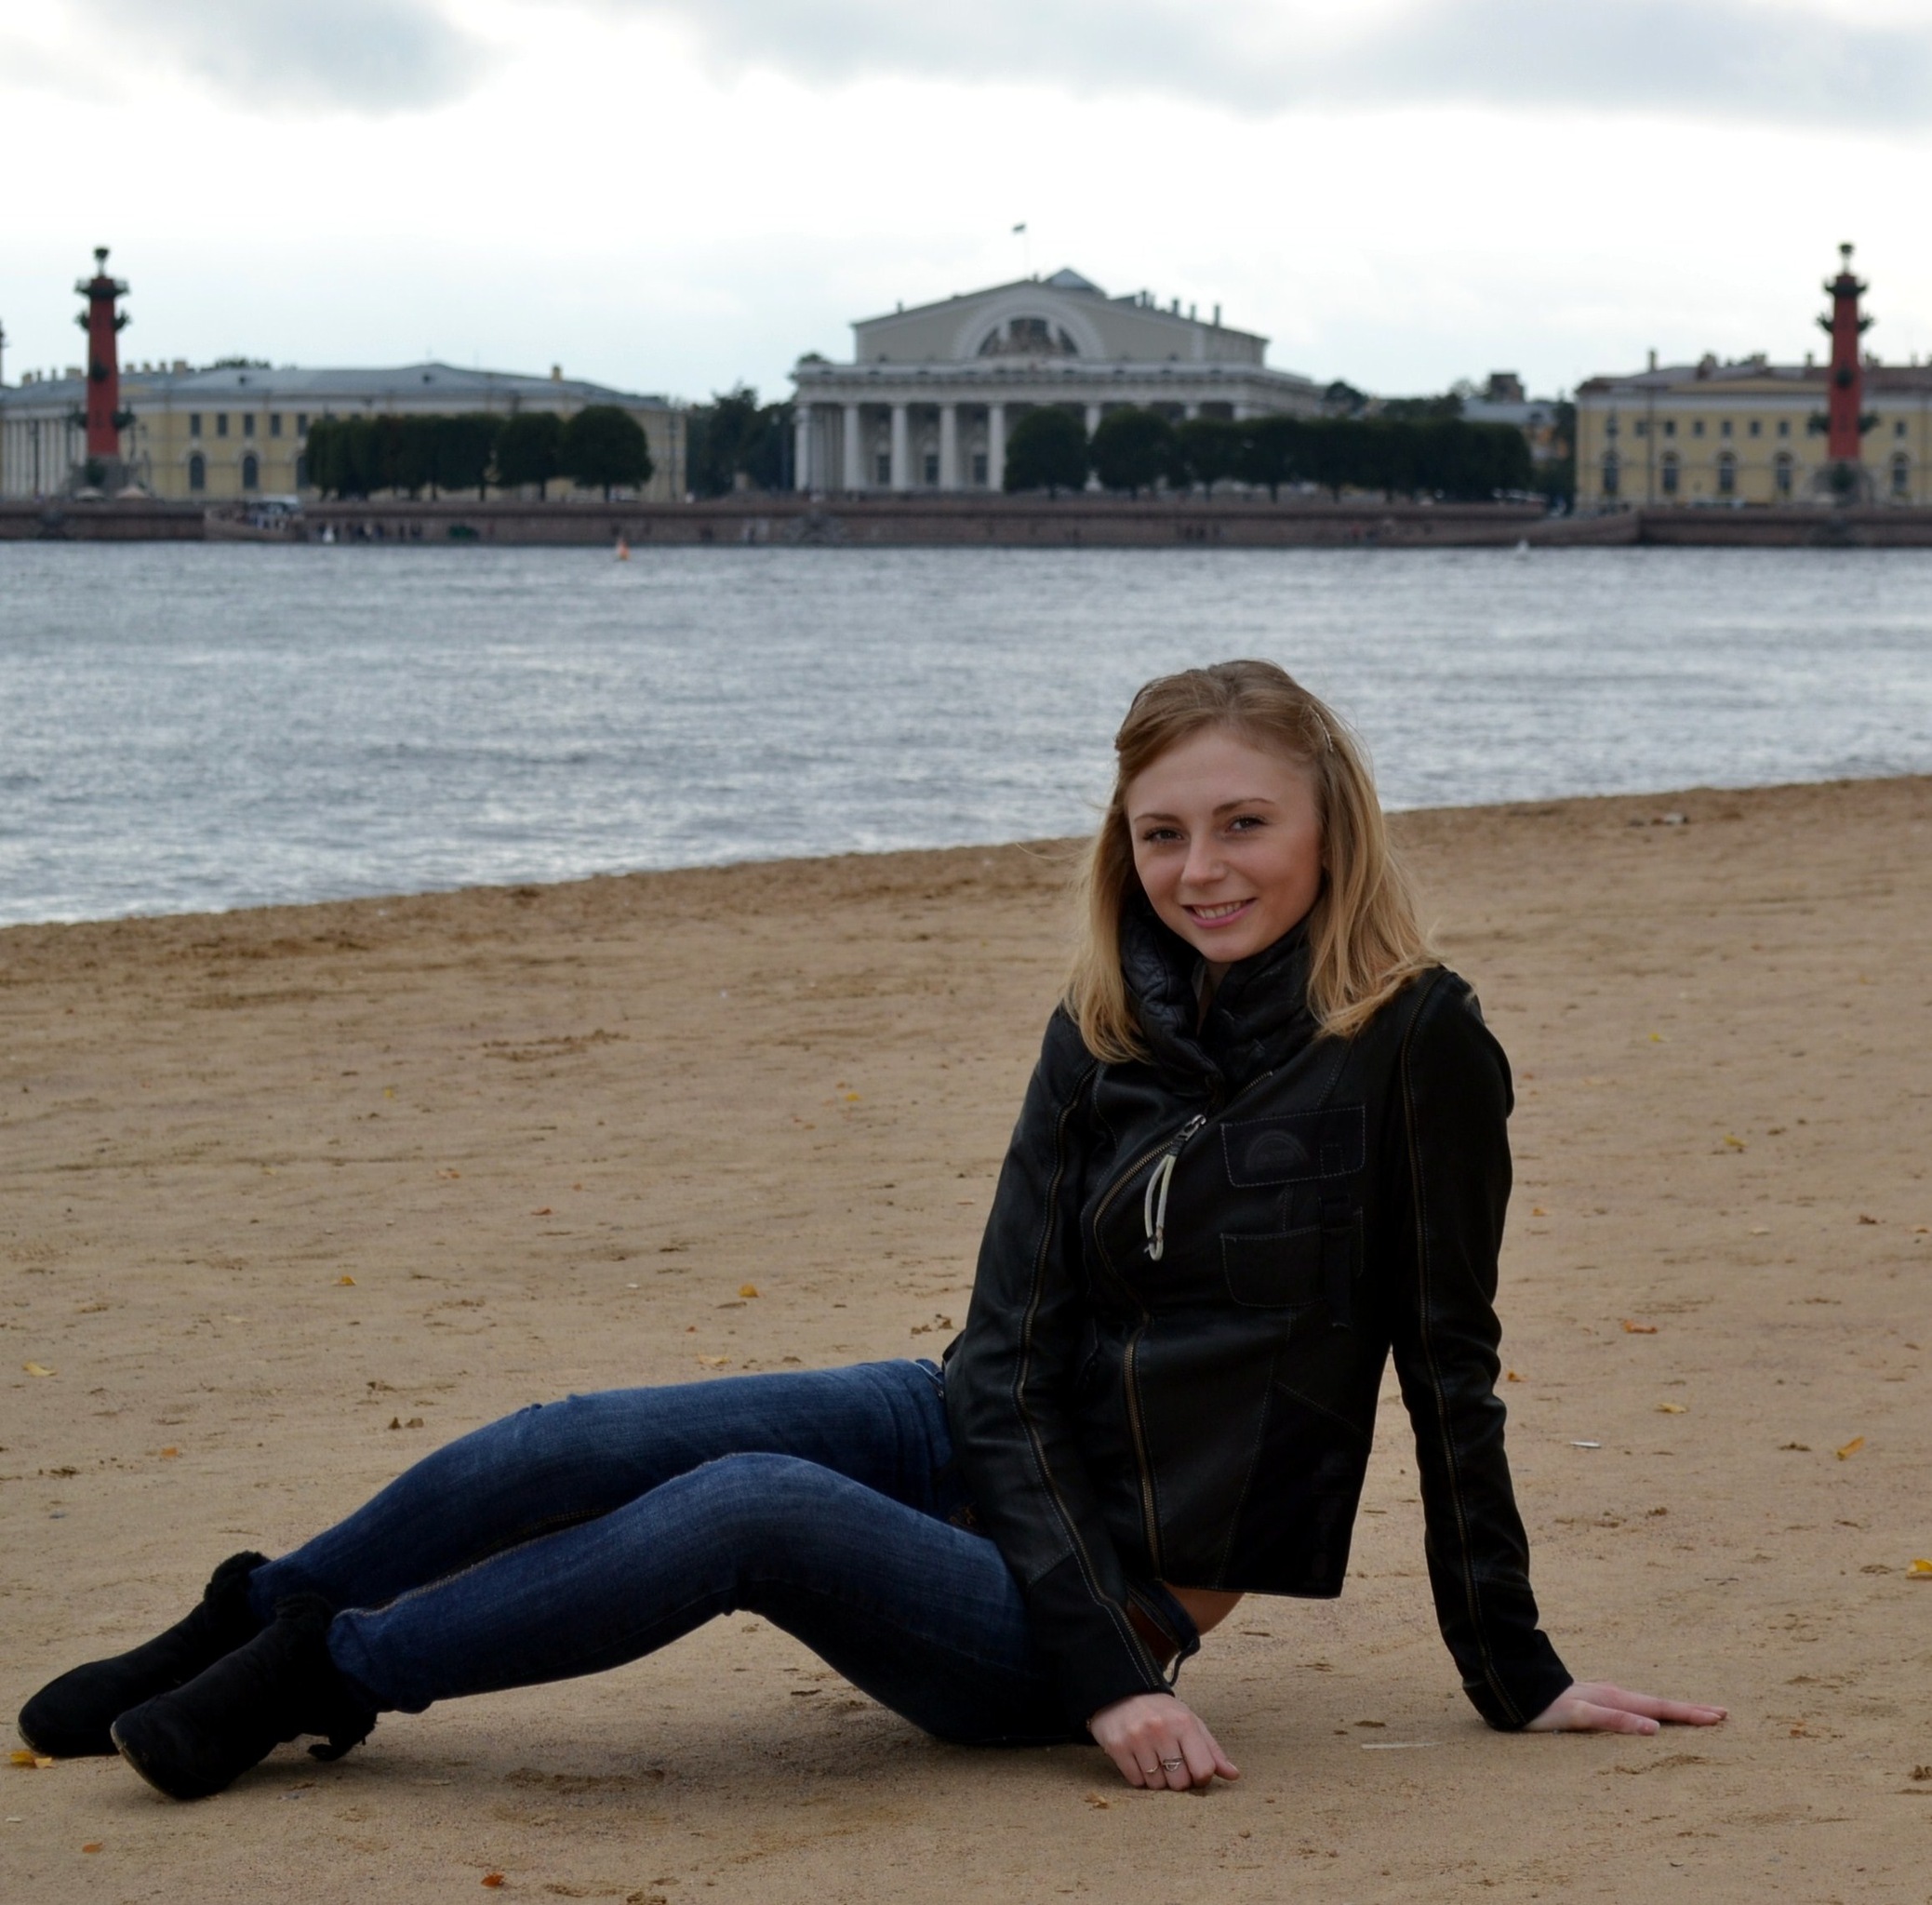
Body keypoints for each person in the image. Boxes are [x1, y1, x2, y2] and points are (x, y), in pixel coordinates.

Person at [19, 660, 1724, 1802]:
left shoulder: (1416, 1041)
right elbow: (1004, 1344)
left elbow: (1448, 1368)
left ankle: (328, 1675)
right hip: (965, 1434)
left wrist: (1505, 1672)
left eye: (1241, 825)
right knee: (577, 1435)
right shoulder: (1106, 1021)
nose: (1199, 870)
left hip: (1100, 1603)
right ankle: (261, 1607)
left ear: (1328, 824)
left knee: (746, 1508)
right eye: (1160, 834)